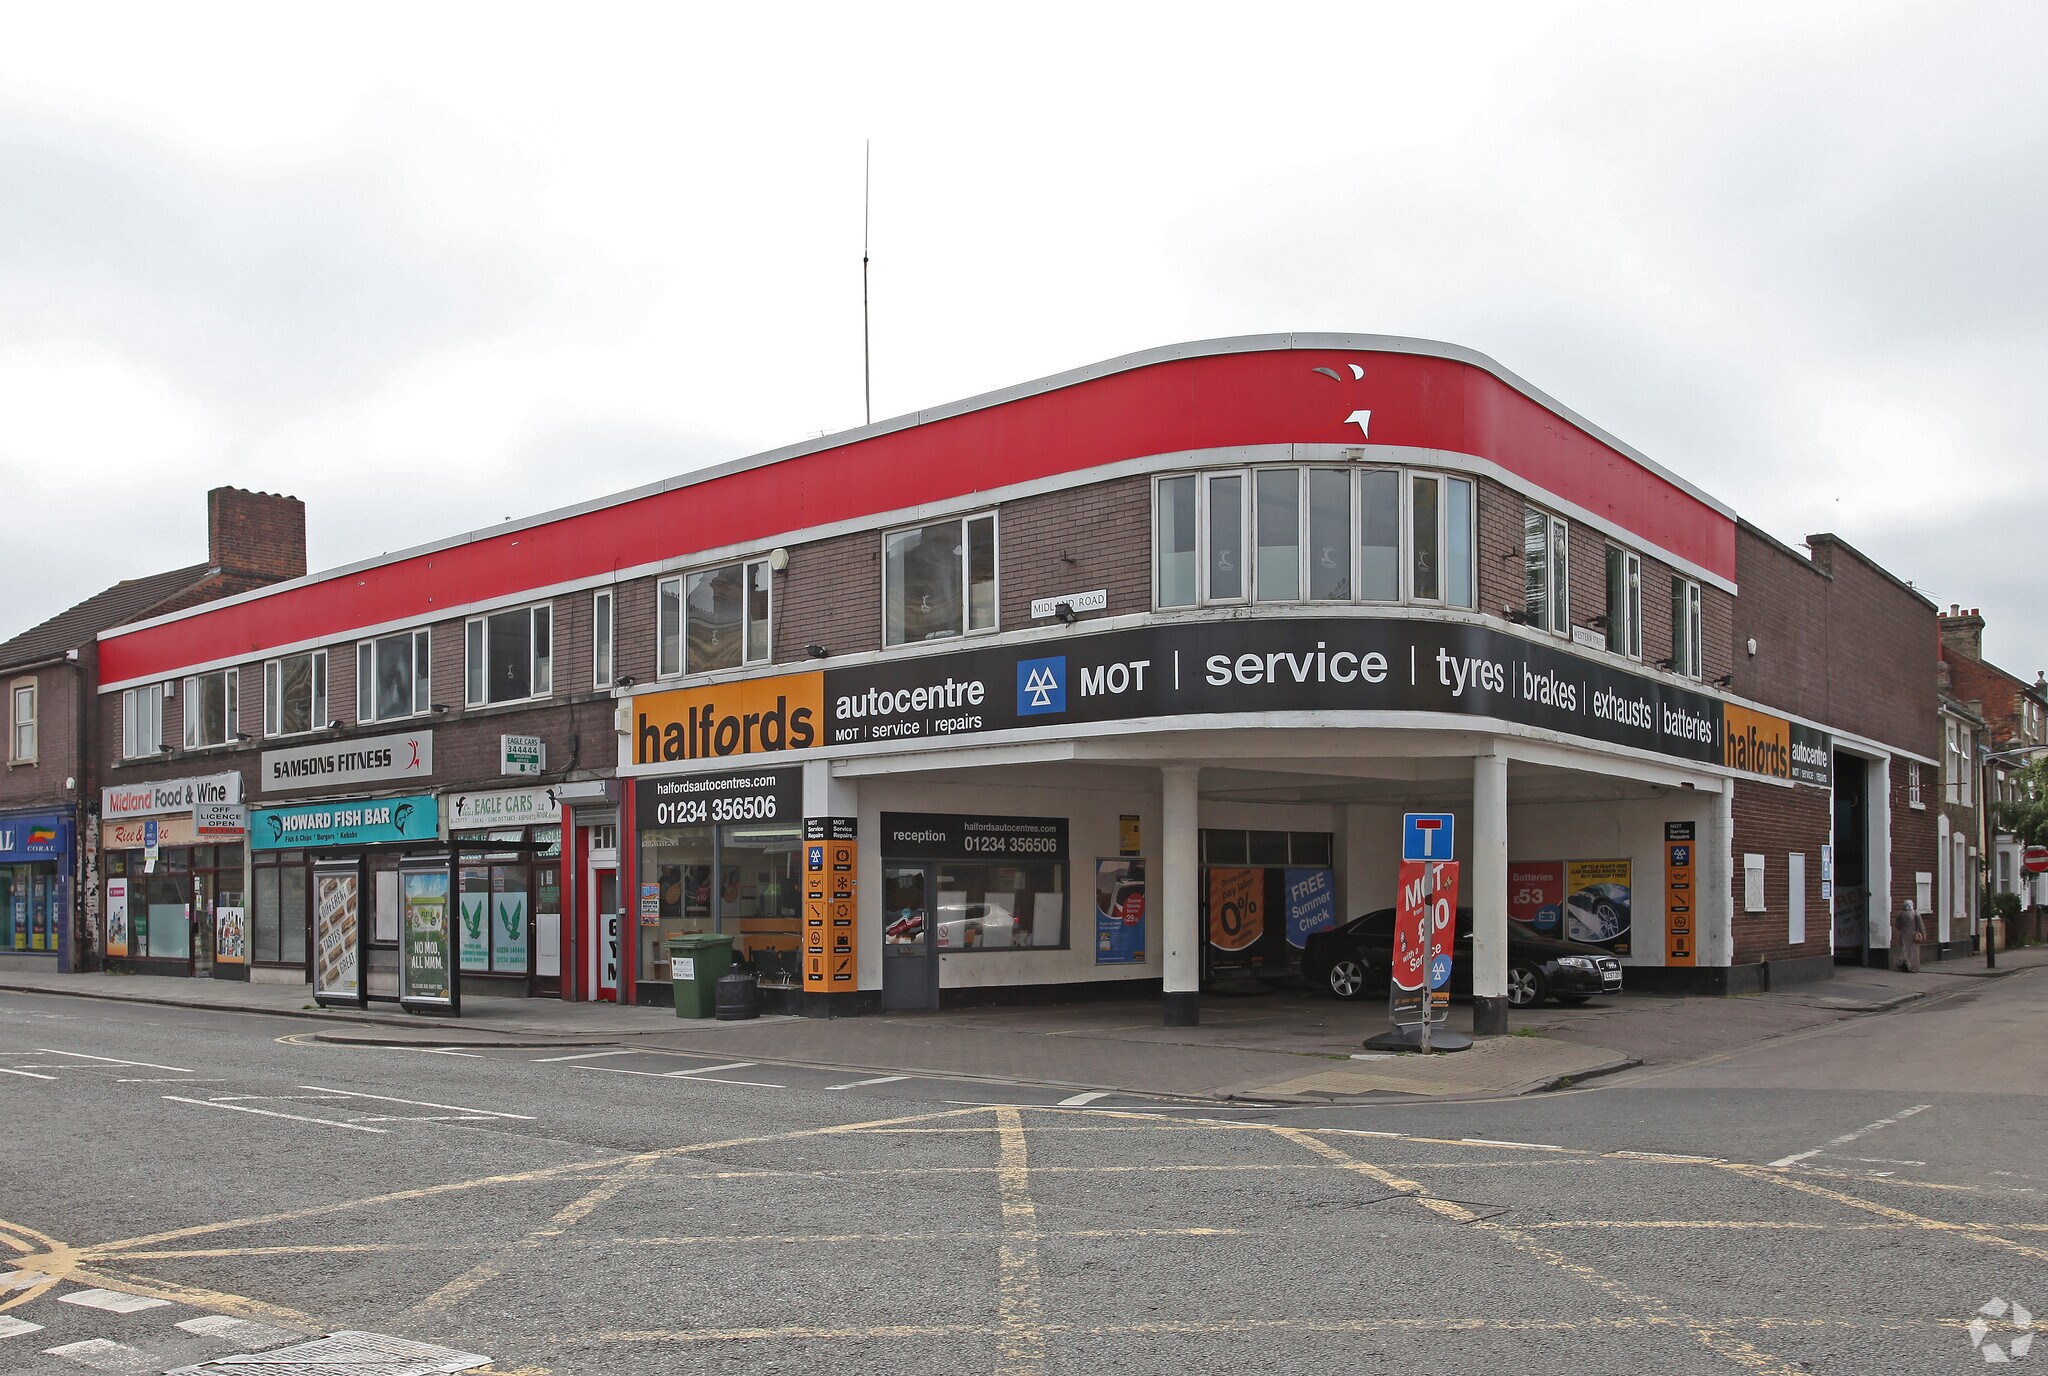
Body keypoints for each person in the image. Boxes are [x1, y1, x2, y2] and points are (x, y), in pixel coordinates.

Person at [1894, 899, 1925, 973]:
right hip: (1913, 936)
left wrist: (1902, 929)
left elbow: (1897, 925)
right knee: (1913, 951)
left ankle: (1902, 964)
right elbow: (1921, 926)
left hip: (1903, 934)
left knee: (1903, 949)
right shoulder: (1915, 914)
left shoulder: (1900, 914)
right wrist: (1923, 934)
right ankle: (1912, 966)